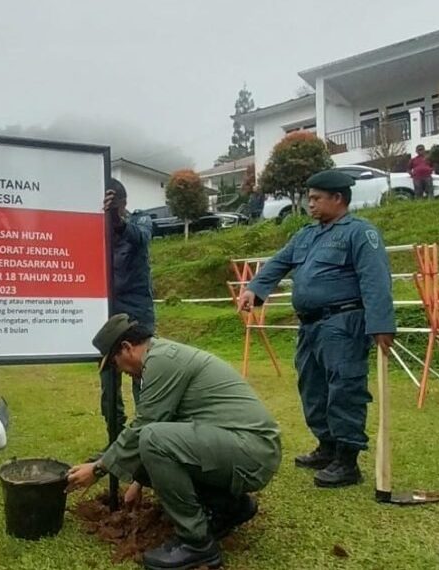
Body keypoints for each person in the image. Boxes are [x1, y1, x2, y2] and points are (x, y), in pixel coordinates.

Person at [67, 314, 281, 570]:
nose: (121, 371)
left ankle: (197, 544)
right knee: (154, 438)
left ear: (126, 348)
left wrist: (98, 468)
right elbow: (171, 426)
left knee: (152, 438)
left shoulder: (161, 362)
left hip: (251, 451)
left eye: (115, 364)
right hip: (244, 447)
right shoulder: (163, 356)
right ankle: (230, 507)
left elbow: (145, 428)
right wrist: (139, 478)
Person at [238, 169, 395, 489]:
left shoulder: (359, 233)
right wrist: (254, 289)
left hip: (343, 323)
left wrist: (381, 324)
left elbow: (376, 280)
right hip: (310, 326)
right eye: (309, 198)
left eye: (316, 199)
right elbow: (279, 263)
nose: (310, 204)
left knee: (344, 388)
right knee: (313, 388)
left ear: (338, 198)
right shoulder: (306, 235)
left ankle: (347, 460)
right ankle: (327, 447)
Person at [92, 179, 154, 459]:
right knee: (109, 389)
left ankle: (145, 445)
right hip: (108, 318)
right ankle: (115, 444)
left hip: (137, 316)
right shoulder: (96, 229)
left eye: (115, 205)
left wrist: (115, 218)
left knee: (143, 383)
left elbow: (139, 237)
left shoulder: (141, 221)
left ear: (124, 204)